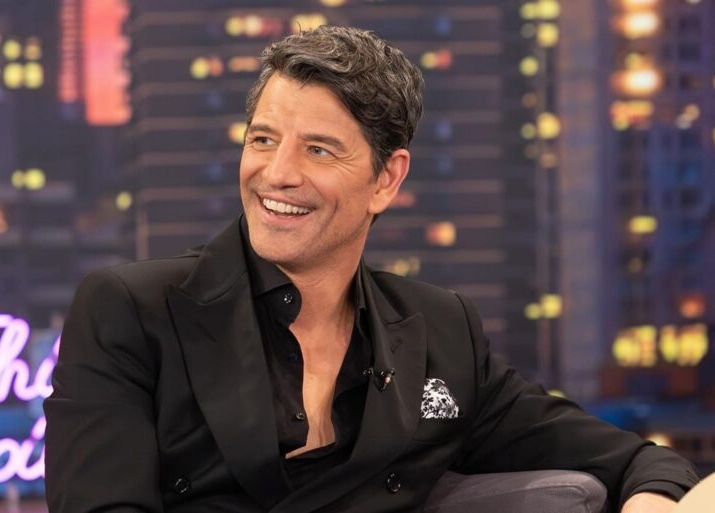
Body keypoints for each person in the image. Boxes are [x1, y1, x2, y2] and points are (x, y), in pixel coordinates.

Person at [44, 26, 699, 512]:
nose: (276, 173)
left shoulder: (439, 330)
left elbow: (634, 461)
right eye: (263, 139)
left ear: (386, 179)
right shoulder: (132, 310)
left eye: (318, 150)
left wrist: (650, 496)